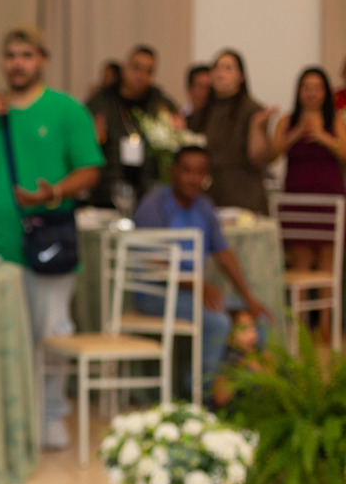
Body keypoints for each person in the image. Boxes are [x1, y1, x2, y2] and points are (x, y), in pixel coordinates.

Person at [0, 26, 103, 450]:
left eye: (26, 55)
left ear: (41, 60)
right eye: (11, 55)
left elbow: (90, 170)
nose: (17, 63)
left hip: (47, 243)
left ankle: (51, 415)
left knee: (51, 333)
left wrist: (54, 193)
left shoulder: (67, 109)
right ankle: (1, 424)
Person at [133, 145, 271, 398]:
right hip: (156, 293)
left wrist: (248, 298)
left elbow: (224, 254)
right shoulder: (152, 206)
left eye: (200, 173)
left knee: (259, 320)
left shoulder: (204, 206)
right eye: (187, 171)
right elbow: (153, 263)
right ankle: (200, 393)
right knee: (218, 322)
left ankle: (240, 393)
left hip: (194, 291)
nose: (194, 179)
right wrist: (196, 285)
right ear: (172, 171)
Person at [266, 66, 346, 343]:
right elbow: (271, 154)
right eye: (306, 87)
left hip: (328, 201)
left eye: (317, 88)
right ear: (299, 91)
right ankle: (299, 327)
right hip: (296, 201)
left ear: (325, 93)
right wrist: (297, 132)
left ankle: (325, 326)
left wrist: (324, 137)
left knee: (327, 265)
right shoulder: (287, 120)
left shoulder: (336, 120)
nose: (311, 93)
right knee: (300, 264)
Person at [86, 45, 179, 207]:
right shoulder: (100, 103)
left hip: (149, 196)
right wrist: (95, 138)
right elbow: (82, 149)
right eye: (136, 68)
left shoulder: (162, 105)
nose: (141, 75)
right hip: (107, 194)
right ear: (124, 69)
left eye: (148, 71)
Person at [186, 50, 273, 214]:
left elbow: (258, 159)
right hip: (209, 196)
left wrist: (257, 128)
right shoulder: (201, 112)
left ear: (240, 77)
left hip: (244, 195)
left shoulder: (252, 110)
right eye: (217, 68)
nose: (220, 73)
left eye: (228, 68)